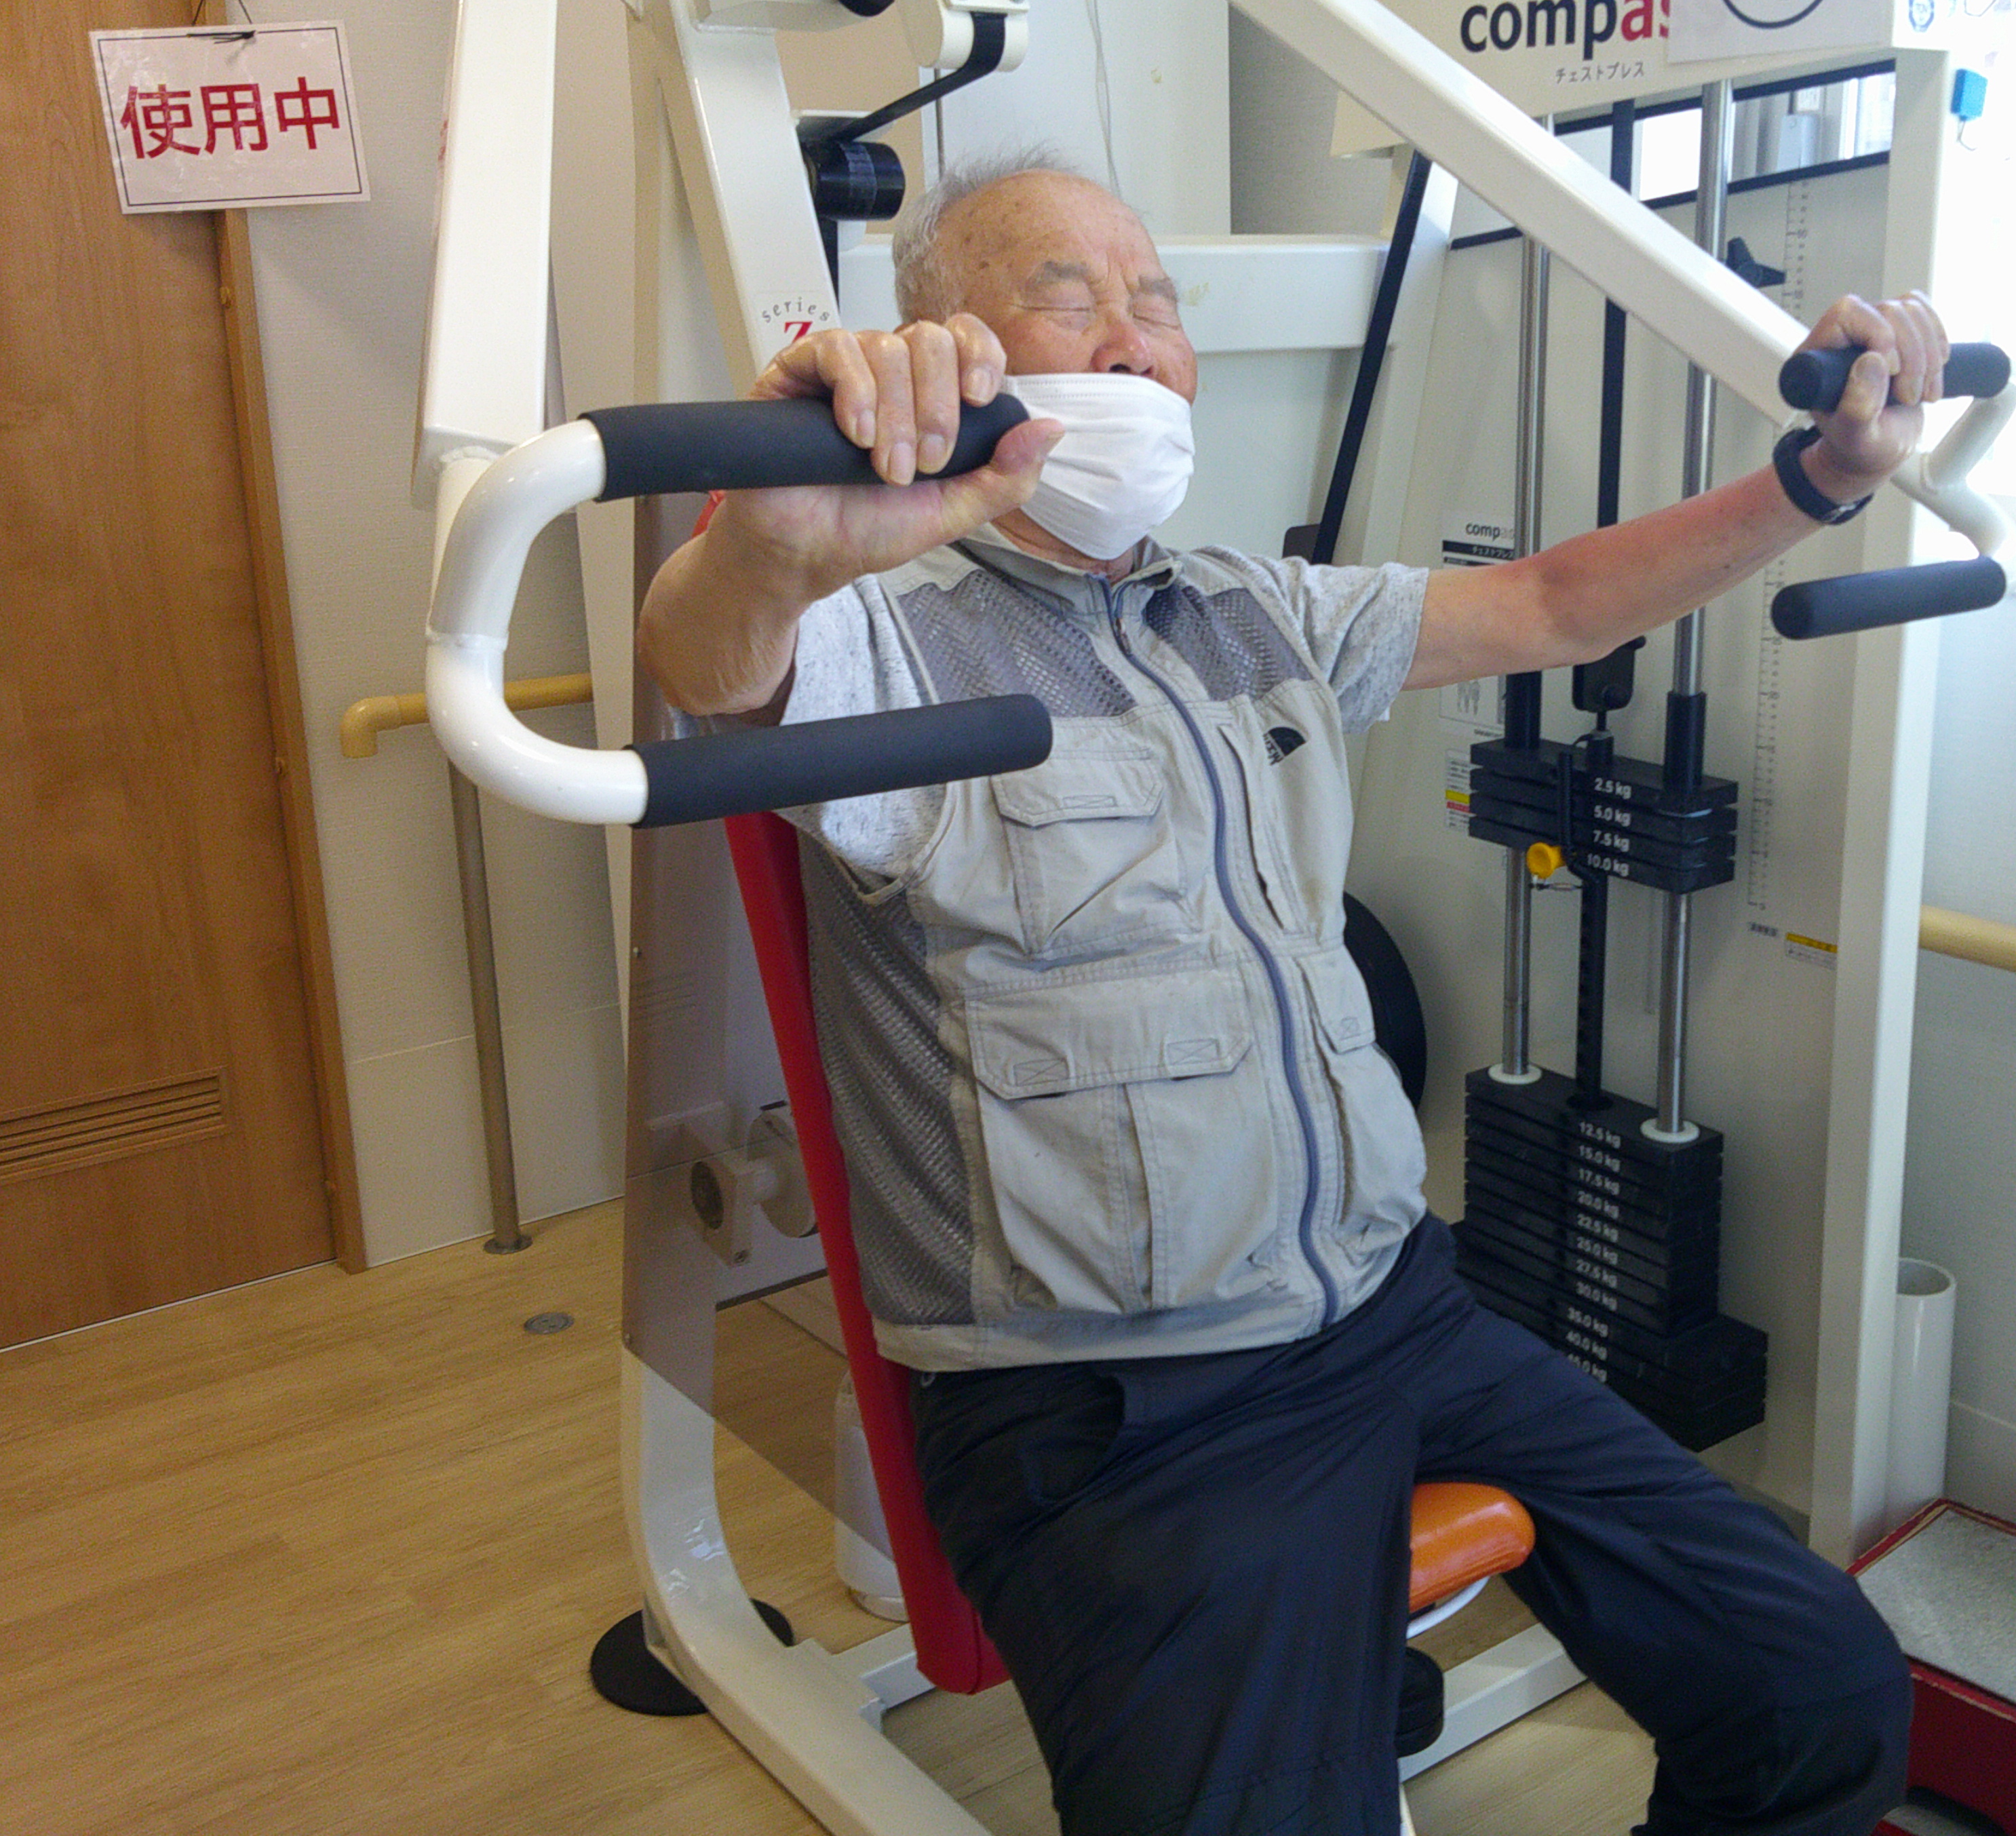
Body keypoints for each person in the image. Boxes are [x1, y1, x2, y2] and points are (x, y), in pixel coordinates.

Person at [640, 151, 1949, 1836]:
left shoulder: (1250, 611)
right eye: (1069, 297)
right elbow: (713, 669)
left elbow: (1554, 602)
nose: (1138, 337)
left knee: (1818, 1694)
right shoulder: (889, 642)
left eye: (1158, 301)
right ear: (956, 354)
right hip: (1122, 1405)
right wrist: (770, 545)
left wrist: (1820, 480)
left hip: (1396, 1314)